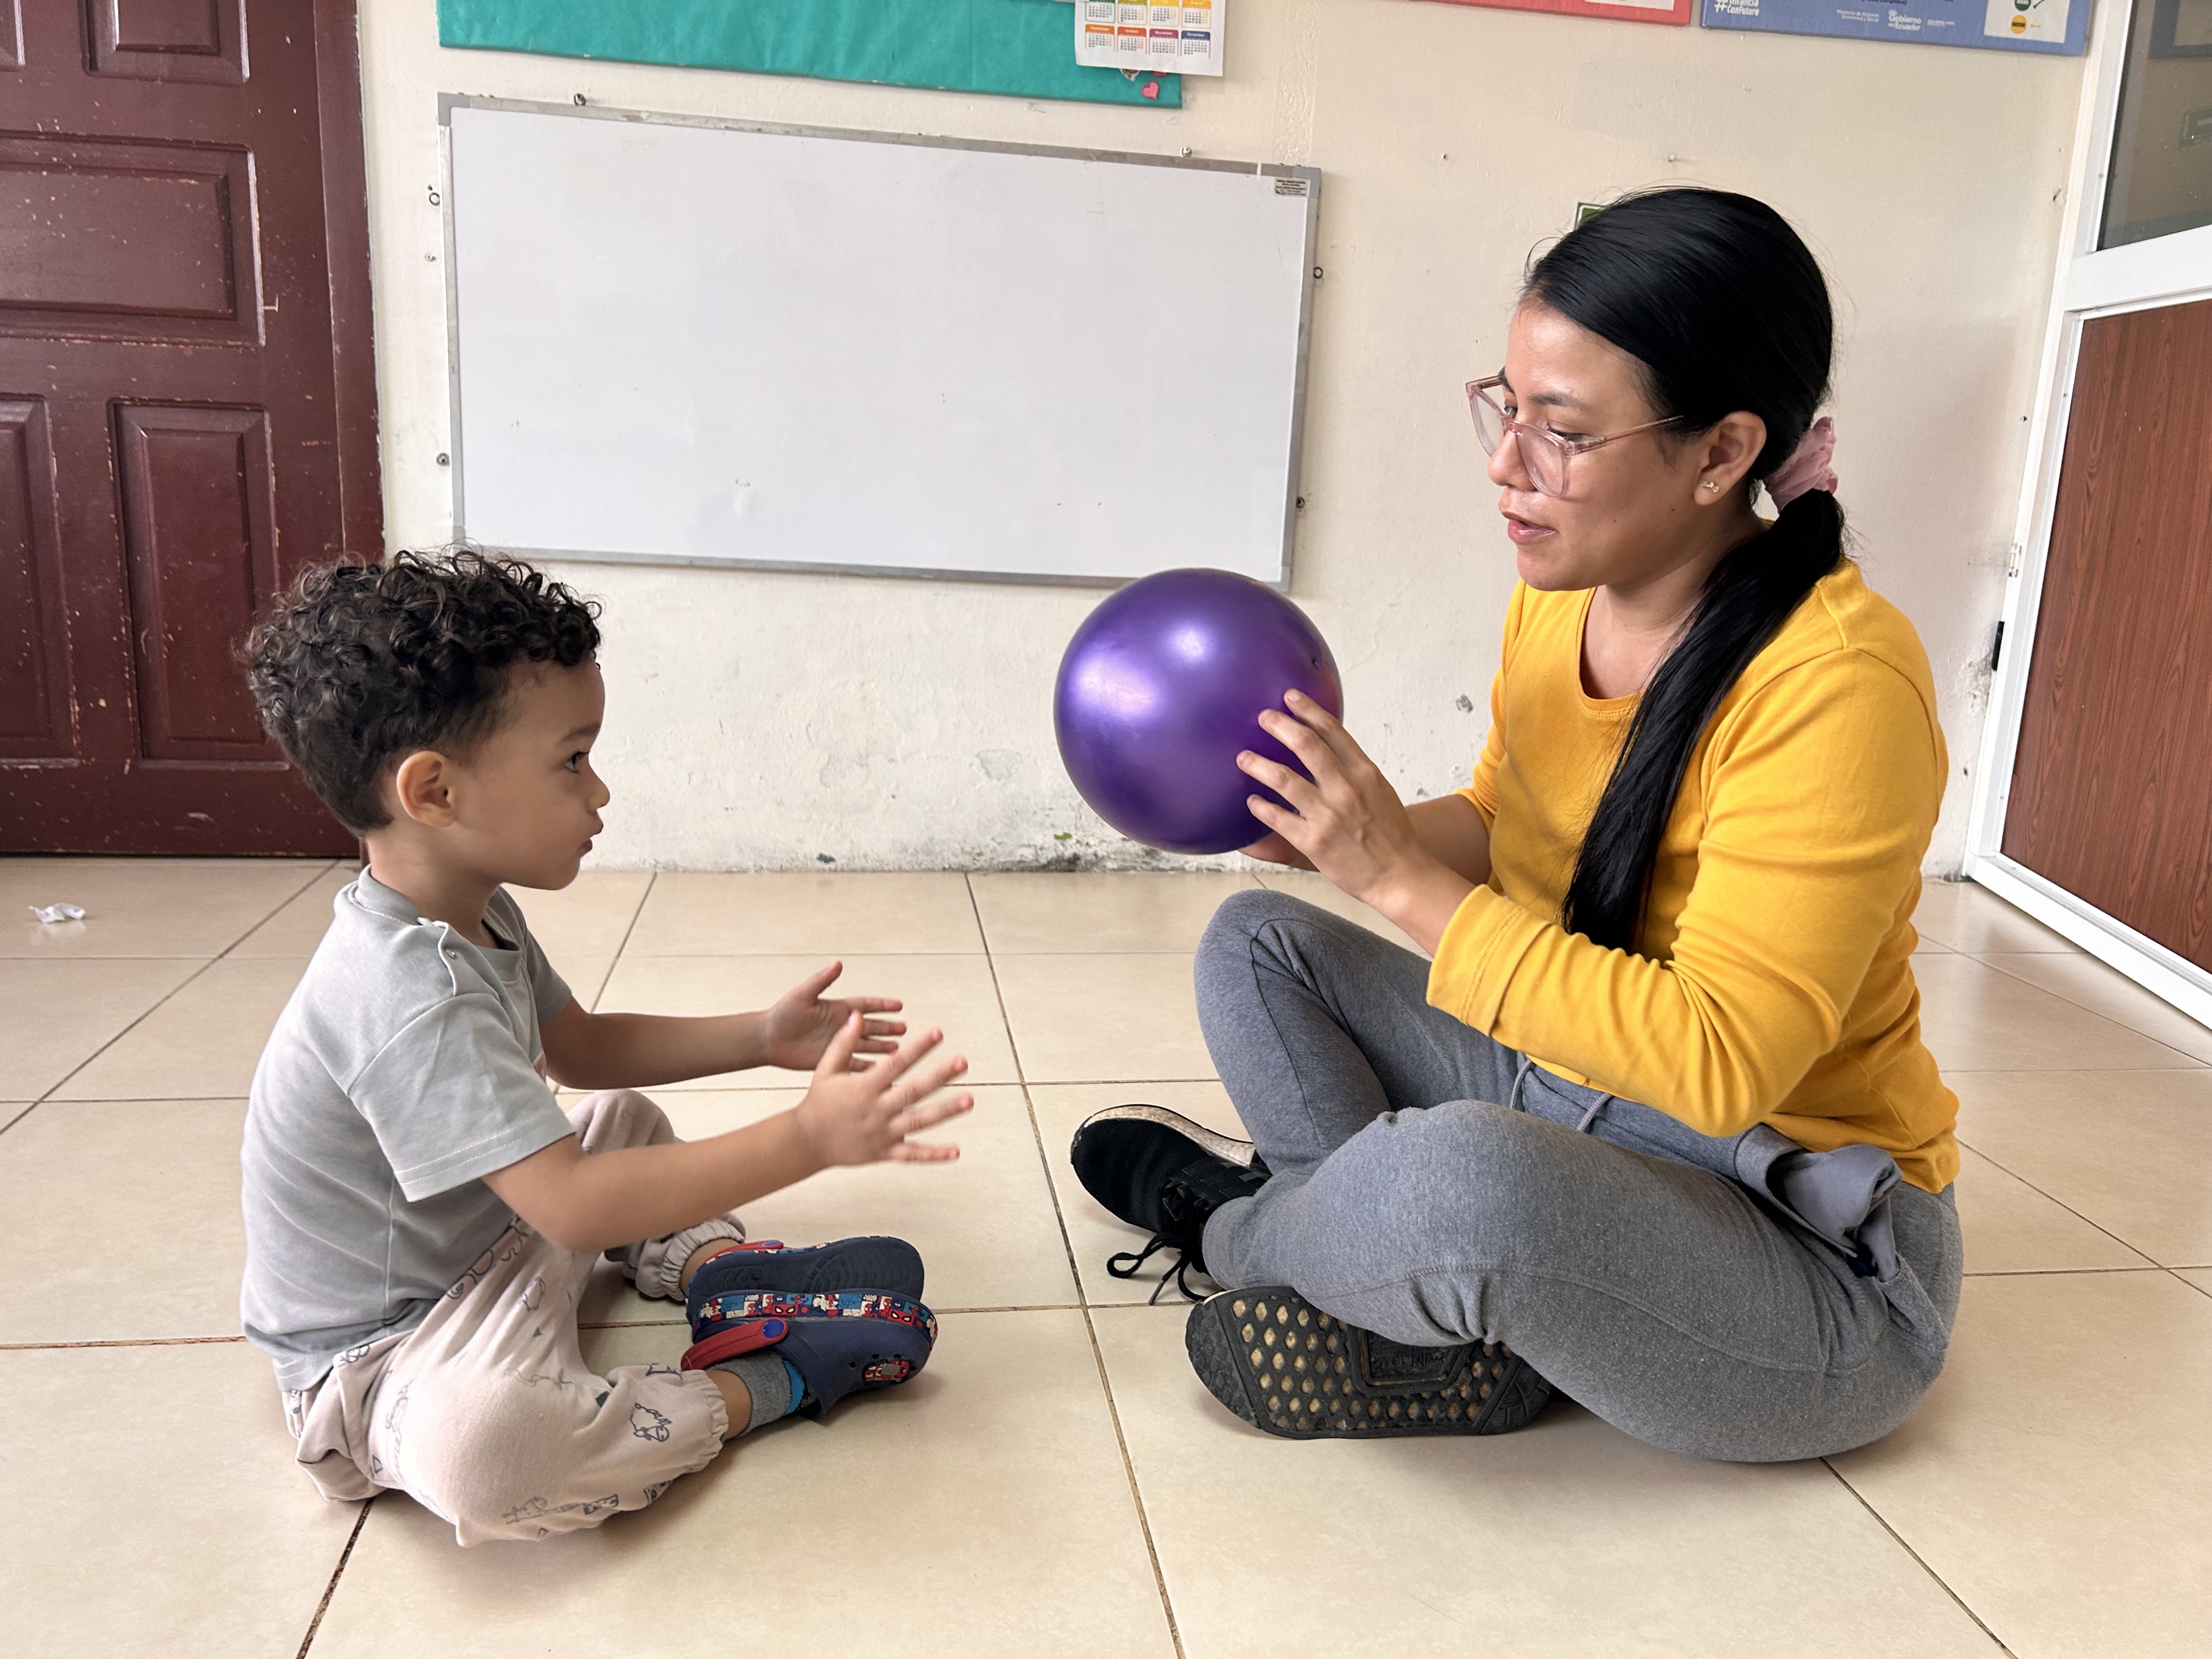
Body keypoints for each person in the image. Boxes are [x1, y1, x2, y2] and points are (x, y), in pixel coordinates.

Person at [1071, 188, 1963, 1460]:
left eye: (1565, 432)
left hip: (1807, 1249)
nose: (1506, 466)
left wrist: (1397, 879)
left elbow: (1722, 1064)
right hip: (1576, 1099)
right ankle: (1422, 1290)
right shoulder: (1561, 594)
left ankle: (1243, 1230)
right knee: (1256, 944)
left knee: (1466, 1184)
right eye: (1507, 407)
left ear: (1722, 453)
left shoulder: (1838, 685)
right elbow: (1508, 821)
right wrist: (1346, 837)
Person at [238, 551, 973, 1543]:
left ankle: (721, 1277)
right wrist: (807, 1137)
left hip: (490, 1243)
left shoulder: (472, 910)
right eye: (572, 761)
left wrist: (761, 1037)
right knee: (491, 1455)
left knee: (617, 1122)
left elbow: (581, 1049)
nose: (601, 792)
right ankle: (774, 1376)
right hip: (382, 1358)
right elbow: (573, 1205)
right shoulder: (405, 991)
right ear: (435, 792)